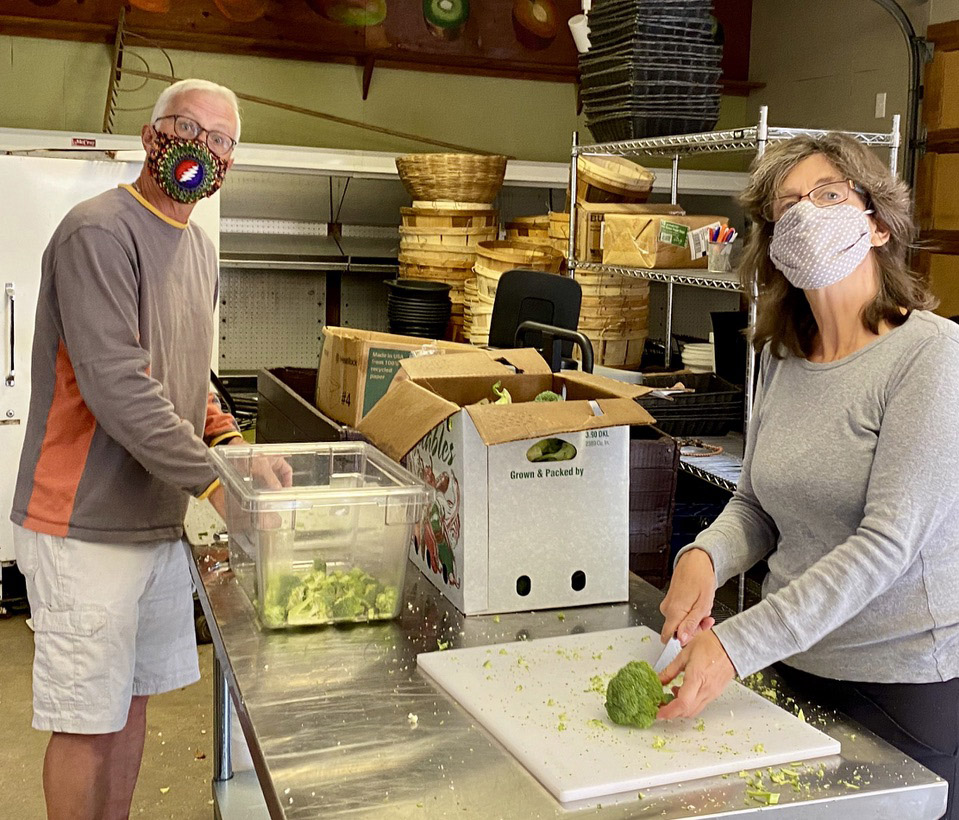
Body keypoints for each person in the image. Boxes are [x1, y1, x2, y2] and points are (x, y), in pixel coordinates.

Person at [657, 133, 959, 816]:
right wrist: (704, 557)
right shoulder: (782, 355)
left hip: (897, 689)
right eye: (785, 206)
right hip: (790, 663)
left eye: (826, 195)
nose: (804, 215)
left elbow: (888, 542)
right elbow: (756, 505)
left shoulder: (932, 357)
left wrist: (732, 645)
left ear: (877, 223)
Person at [10, 78, 288, 820]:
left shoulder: (198, 248)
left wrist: (235, 448)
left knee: (129, 707)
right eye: (186, 127)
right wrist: (217, 486)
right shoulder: (97, 232)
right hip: (83, 524)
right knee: (85, 722)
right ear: (150, 134)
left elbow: (184, 380)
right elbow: (119, 388)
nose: (202, 147)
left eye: (221, 139)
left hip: (155, 522)